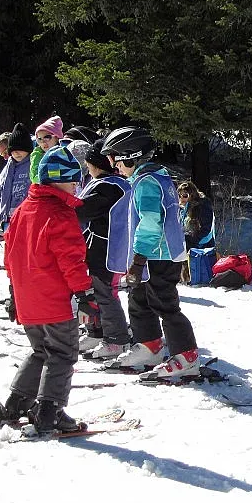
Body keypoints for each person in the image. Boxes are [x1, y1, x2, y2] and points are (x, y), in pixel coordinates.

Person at [0, 145, 100, 432]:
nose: (76, 186)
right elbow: (72, 260)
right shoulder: (61, 214)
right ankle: (50, 411)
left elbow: (10, 254)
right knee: (62, 354)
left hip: (28, 297)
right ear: (58, 179)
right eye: (73, 180)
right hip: (55, 299)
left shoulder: (25, 209)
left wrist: (14, 292)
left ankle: (16, 403)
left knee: (41, 351)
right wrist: (85, 294)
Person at [99, 126, 199, 378]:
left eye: (116, 160)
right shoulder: (151, 178)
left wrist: (139, 258)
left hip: (159, 256)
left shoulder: (147, 184)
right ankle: (149, 345)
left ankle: (187, 355)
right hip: (152, 254)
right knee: (139, 299)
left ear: (130, 156)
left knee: (164, 303)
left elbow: (151, 221)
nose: (114, 166)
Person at [75, 138, 132, 358]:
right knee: (93, 292)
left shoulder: (109, 187)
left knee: (105, 294)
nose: (86, 167)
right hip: (99, 247)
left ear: (97, 164)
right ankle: (96, 332)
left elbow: (84, 210)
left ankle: (116, 338)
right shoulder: (109, 183)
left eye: (89, 162)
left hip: (107, 250)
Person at [0, 123, 33, 231]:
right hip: (8, 221)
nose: (5, 157)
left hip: (27, 219)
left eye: (5, 152)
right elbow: (1, 194)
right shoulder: (7, 170)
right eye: (1, 154)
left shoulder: (33, 165)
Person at [177, 180, 215, 250]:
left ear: (192, 195)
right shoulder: (182, 208)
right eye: (179, 195)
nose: (181, 198)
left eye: (185, 195)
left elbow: (206, 229)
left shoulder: (203, 206)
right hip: (189, 244)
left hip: (201, 247)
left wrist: (189, 240)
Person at [29, 115, 63, 184]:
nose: (43, 142)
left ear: (57, 137)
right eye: (39, 139)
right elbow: (34, 177)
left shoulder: (63, 154)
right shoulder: (37, 155)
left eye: (47, 137)